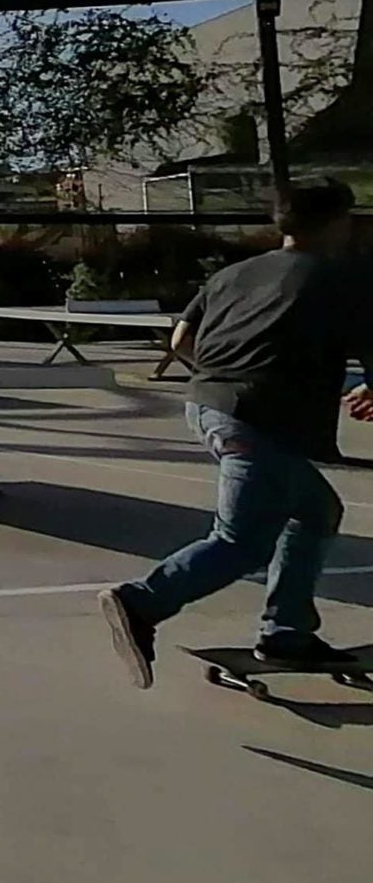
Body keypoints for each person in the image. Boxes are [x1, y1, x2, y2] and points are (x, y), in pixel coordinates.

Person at [101, 177, 373, 686]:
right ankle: (141, 601)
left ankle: (287, 631)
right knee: (241, 541)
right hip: (257, 422)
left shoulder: (234, 275)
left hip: (207, 406)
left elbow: (181, 340)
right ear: (341, 221)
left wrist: (225, 376)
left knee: (317, 510)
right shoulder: (340, 278)